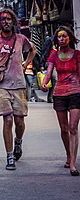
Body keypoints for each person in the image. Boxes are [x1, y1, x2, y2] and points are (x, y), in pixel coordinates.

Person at [0, 8, 37, 170]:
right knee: (7, 120)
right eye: (3, 19)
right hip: (1, 86)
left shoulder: (21, 39)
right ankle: (9, 156)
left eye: (9, 19)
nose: (6, 22)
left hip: (19, 85)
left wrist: (25, 63)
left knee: (19, 122)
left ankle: (18, 142)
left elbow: (33, 50)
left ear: (13, 21)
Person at [41, 26, 80, 176]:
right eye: (59, 37)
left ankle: (73, 164)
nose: (62, 39)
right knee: (64, 129)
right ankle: (69, 155)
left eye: (64, 36)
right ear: (56, 40)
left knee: (73, 127)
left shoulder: (77, 55)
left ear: (70, 37)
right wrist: (45, 83)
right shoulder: (54, 56)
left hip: (76, 92)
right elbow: (49, 72)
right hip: (59, 93)